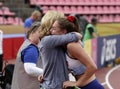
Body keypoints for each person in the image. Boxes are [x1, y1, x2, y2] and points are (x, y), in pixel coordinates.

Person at [50, 16, 104, 89]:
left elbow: (92, 67)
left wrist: (77, 83)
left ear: (64, 31)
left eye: (54, 28)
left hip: (91, 86)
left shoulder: (72, 45)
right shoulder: (64, 46)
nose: (50, 31)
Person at [38, 10, 82, 89]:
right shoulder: (49, 40)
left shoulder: (54, 41)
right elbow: (77, 35)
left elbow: (57, 63)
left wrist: (45, 73)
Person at [11, 22, 43, 89]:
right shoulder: (31, 49)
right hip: (27, 85)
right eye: (39, 32)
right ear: (32, 32)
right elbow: (30, 69)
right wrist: (48, 73)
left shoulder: (28, 44)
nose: (42, 35)